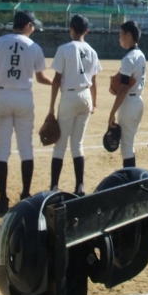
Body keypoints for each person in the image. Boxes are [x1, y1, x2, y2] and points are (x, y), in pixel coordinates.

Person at [0, 10, 52, 214]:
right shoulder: (34, 47)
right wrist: (59, 83)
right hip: (24, 97)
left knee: (1, 151)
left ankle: (2, 199)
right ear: (28, 25)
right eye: (33, 25)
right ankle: (25, 195)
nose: (34, 28)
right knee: (26, 148)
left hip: (2, 96)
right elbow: (41, 78)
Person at [48, 15, 101, 196]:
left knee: (60, 144)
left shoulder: (64, 49)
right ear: (86, 31)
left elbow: (56, 80)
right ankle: (80, 187)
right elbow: (94, 81)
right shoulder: (92, 51)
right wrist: (94, 103)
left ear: (70, 28)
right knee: (77, 144)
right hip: (86, 96)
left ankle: (54, 187)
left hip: (69, 96)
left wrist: (51, 108)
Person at [108, 21, 146, 168]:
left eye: (121, 35)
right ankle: (131, 175)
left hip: (129, 104)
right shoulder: (141, 55)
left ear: (128, 35)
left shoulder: (128, 58)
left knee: (126, 147)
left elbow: (123, 88)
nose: (119, 39)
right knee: (129, 143)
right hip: (138, 101)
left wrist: (112, 113)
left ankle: (130, 178)